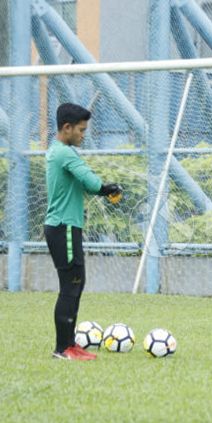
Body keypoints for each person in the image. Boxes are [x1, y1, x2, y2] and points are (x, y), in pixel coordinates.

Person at [45, 103, 122, 360]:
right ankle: (63, 349)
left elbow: (88, 187)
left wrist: (103, 188)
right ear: (66, 128)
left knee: (76, 283)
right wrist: (108, 188)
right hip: (64, 228)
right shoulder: (65, 154)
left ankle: (70, 345)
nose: (83, 134)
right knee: (71, 286)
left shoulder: (57, 151)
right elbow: (91, 182)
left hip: (63, 228)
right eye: (80, 129)